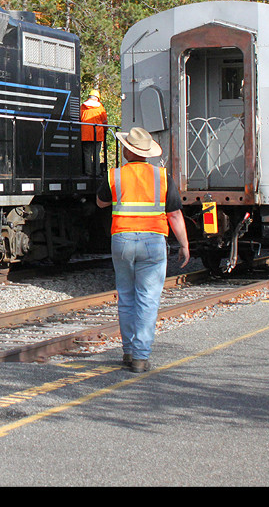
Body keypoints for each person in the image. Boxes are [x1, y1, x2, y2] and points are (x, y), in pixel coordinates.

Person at [95, 127, 190, 373]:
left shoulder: (114, 175)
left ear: (128, 150)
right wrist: (185, 244)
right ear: (146, 153)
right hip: (153, 241)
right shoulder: (162, 176)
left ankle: (127, 351)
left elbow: (101, 202)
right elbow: (175, 214)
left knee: (126, 297)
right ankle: (140, 356)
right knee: (147, 298)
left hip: (122, 240)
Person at [80, 89, 108, 176]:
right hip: (97, 134)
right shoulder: (100, 107)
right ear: (97, 98)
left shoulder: (83, 107)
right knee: (96, 154)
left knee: (87, 153)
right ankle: (97, 172)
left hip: (85, 134)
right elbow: (105, 121)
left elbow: (79, 118)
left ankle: (88, 172)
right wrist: (105, 129)